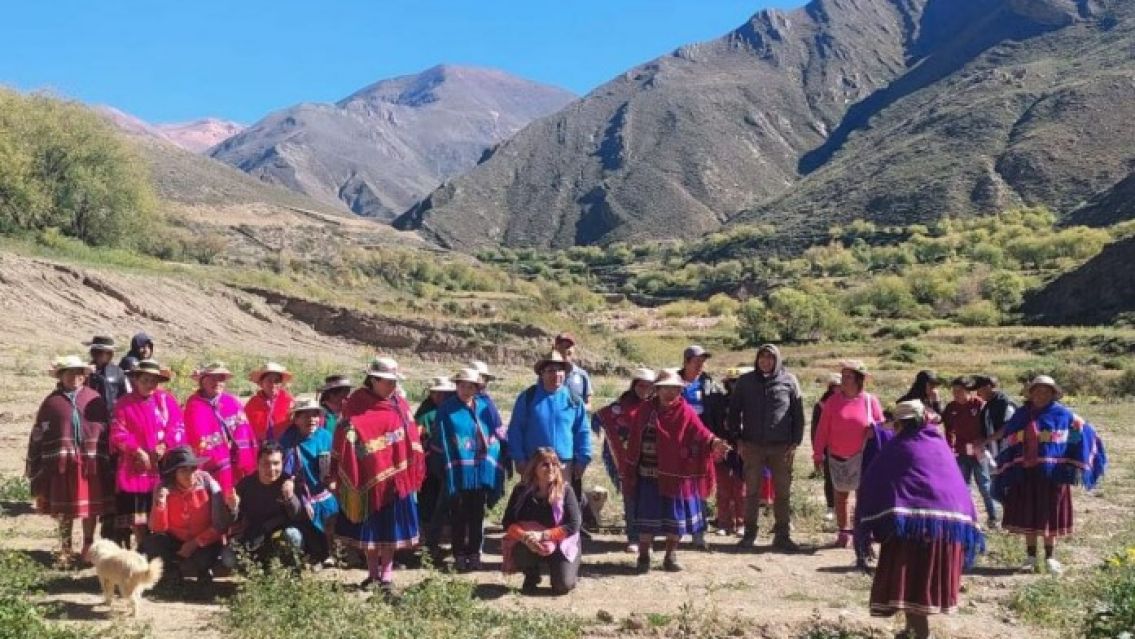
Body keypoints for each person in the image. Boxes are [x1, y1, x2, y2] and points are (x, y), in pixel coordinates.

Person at [855, 400, 986, 639]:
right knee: (921, 587)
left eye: (895, 425)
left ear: (902, 425)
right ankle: (912, 630)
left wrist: (873, 520)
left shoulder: (901, 447)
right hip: (947, 530)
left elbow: (874, 482)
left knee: (913, 586)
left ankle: (920, 634)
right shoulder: (938, 445)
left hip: (914, 531)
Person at [991, 376, 1107, 575]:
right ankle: (1030, 557)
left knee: (1049, 514)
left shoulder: (1063, 414)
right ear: (1031, 393)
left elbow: (1081, 432)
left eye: (1046, 391)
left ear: (1053, 394)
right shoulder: (1022, 414)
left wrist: (1069, 455)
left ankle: (1050, 557)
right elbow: (1008, 434)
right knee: (1028, 513)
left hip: (1053, 475)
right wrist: (989, 441)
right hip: (1025, 473)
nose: (1040, 395)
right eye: (1037, 391)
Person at [332, 357, 426, 592]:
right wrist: (351, 437)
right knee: (370, 529)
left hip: (396, 477)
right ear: (373, 380)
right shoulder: (356, 403)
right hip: (366, 476)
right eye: (387, 381)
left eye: (394, 382)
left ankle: (387, 575)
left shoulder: (400, 404)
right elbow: (343, 430)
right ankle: (372, 573)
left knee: (391, 529)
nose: (391, 386)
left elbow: (410, 433)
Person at [623, 369, 730, 572]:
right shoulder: (645, 410)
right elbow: (634, 439)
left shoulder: (685, 411)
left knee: (675, 519)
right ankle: (644, 556)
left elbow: (701, 432)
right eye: (666, 388)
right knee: (647, 520)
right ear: (658, 389)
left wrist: (714, 442)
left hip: (676, 475)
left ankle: (670, 556)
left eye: (675, 388)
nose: (671, 392)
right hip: (648, 474)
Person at [27, 355, 114, 566]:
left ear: (84, 376)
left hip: (89, 463)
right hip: (62, 464)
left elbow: (103, 427)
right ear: (61, 376)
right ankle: (65, 548)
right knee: (64, 508)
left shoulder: (94, 399)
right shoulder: (51, 403)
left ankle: (87, 546)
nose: (74, 377)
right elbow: (40, 432)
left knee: (89, 508)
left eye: (78, 373)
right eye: (69, 373)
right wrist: (36, 459)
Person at [728, 344, 805, 551]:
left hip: (781, 447)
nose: (765, 361)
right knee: (752, 491)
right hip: (752, 445)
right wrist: (738, 440)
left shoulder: (789, 381)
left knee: (782, 492)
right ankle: (749, 534)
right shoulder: (745, 382)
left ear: (777, 360)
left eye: (770, 358)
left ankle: (782, 536)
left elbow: (798, 415)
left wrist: (795, 442)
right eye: (762, 357)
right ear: (757, 360)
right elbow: (734, 412)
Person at [435, 368, 505, 571]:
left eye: (470, 386)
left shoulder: (484, 407)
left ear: (477, 388)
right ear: (456, 387)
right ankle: (458, 554)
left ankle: (474, 554)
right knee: (458, 514)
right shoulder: (447, 409)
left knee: (476, 515)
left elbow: (495, 431)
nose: (465, 390)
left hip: (480, 471)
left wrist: (495, 451)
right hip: (457, 471)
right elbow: (441, 438)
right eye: (462, 386)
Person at [111, 359, 185, 549]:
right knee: (138, 519)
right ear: (136, 380)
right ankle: (143, 548)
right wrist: (137, 450)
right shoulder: (124, 404)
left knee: (163, 512)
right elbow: (118, 433)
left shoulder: (166, 400)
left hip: (162, 467)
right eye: (145, 380)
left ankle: (162, 552)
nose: (150, 385)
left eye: (154, 381)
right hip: (134, 470)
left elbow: (177, 426)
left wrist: (165, 444)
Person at [812, 360, 885, 548]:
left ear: (859, 380)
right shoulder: (832, 401)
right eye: (843, 376)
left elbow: (883, 427)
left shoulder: (870, 401)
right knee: (840, 494)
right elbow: (822, 429)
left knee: (863, 494)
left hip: (863, 456)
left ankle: (862, 531)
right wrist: (818, 454)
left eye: (849, 377)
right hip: (837, 455)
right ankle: (843, 532)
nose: (844, 380)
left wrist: (874, 429)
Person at [501, 448, 583, 595]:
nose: (551, 468)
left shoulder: (566, 491)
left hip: (562, 543)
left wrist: (543, 535)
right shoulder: (521, 491)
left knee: (562, 586)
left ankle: (560, 569)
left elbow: (574, 524)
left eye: (554, 464)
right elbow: (507, 522)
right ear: (534, 468)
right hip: (530, 541)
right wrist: (524, 537)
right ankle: (532, 574)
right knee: (520, 548)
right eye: (545, 464)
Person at [507, 351, 591, 487]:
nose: (556, 374)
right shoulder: (528, 397)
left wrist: (583, 460)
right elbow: (516, 429)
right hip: (533, 464)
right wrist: (519, 459)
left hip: (563, 465)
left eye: (560, 370)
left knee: (561, 505)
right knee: (534, 504)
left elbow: (583, 432)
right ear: (542, 373)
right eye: (551, 370)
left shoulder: (574, 400)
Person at [144, 447, 226, 585]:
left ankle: (203, 571)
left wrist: (195, 543)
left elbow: (220, 525)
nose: (190, 474)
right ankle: (172, 571)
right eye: (183, 470)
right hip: (175, 540)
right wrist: (161, 505)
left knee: (204, 559)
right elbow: (158, 528)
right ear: (173, 474)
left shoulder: (209, 484)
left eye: (193, 469)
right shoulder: (162, 488)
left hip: (204, 540)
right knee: (151, 544)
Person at [594, 368, 655, 553]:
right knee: (631, 499)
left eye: (649, 386)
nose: (645, 389)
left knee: (650, 499)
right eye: (641, 385)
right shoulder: (621, 406)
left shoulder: (657, 405)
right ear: (634, 385)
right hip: (628, 461)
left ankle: (649, 538)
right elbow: (602, 417)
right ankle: (634, 537)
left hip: (652, 460)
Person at [223, 441, 306, 570]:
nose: (271, 469)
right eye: (266, 464)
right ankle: (256, 573)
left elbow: (298, 517)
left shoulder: (288, 482)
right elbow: (232, 520)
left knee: (293, 535)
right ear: (257, 464)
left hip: (279, 533)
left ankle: (288, 568)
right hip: (253, 534)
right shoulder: (245, 485)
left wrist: (290, 497)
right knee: (228, 558)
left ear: (282, 463)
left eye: (276, 463)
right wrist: (233, 508)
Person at [182, 362, 258, 499]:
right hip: (214, 466)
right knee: (218, 503)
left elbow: (245, 430)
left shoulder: (231, 402)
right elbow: (195, 439)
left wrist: (237, 446)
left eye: (221, 378)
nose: (217, 382)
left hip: (238, 463)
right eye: (212, 378)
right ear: (202, 381)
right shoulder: (193, 406)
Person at [676, 345, 725, 549]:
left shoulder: (709, 385)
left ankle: (698, 532)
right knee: (677, 487)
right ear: (686, 362)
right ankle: (676, 530)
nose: (700, 366)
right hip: (677, 443)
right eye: (697, 362)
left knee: (700, 487)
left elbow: (720, 413)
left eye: (703, 362)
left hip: (702, 443)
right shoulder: (673, 382)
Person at [280, 398, 339, 565]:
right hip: (301, 494)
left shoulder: (326, 436)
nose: (311, 419)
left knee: (331, 516)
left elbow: (336, 462)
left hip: (324, 490)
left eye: (315, 415)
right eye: (305, 415)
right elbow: (284, 468)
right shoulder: (288, 440)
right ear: (296, 419)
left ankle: (332, 552)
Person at [942, 377, 998, 527]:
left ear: (968, 391)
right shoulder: (951, 407)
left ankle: (993, 517)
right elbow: (948, 430)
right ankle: (968, 518)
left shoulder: (979, 404)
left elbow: (988, 426)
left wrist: (984, 442)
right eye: (953, 391)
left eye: (959, 391)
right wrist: (949, 448)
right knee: (963, 485)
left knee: (984, 485)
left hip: (979, 450)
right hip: (961, 452)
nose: (956, 394)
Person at [415, 376, 457, 555]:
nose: (442, 396)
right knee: (430, 499)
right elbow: (418, 436)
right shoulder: (426, 413)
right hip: (429, 463)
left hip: (446, 461)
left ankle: (440, 537)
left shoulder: (448, 409)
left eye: (446, 393)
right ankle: (428, 540)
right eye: (438, 393)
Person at [712, 367, 749, 537]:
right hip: (724, 447)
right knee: (723, 487)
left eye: (739, 382)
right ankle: (724, 523)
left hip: (744, 449)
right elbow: (715, 425)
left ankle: (741, 522)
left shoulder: (750, 403)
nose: (735, 386)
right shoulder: (720, 402)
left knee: (741, 488)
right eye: (732, 382)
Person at [811, 373, 841, 522]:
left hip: (845, 446)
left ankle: (845, 509)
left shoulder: (848, 402)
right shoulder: (821, 405)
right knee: (829, 478)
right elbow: (815, 430)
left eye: (839, 386)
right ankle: (831, 507)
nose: (838, 389)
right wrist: (817, 451)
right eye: (835, 386)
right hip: (827, 447)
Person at [244, 362, 295, 443]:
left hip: (285, 445)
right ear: (261, 383)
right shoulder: (252, 404)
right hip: (260, 447)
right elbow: (245, 428)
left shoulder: (289, 401)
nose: (273, 384)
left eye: (276, 381)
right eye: (269, 380)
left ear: (281, 383)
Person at [973, 375, 1017, 456]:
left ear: (988, 388)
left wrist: (985, 441)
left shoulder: (1005, 404)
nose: (978, 394)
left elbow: (1008, 428)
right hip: (995, 454)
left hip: (1009, 454)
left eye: (979, 389)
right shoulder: (987, 407)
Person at [85, 336, 128, 415]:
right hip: (89, 415)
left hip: (112, 416)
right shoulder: (84, 371)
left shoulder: (118, 372)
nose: (104, 355)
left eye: (108, 352)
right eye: (99, 352)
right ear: (93, 352)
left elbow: (126, 395)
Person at [554, 333, 592, 410]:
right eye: (562, 346)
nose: (566, 350)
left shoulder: (582, 375)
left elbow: (589, 404)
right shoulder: (547, 373)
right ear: (555, 349)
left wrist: (576, 409)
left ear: (573, 350)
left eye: (569, 347)